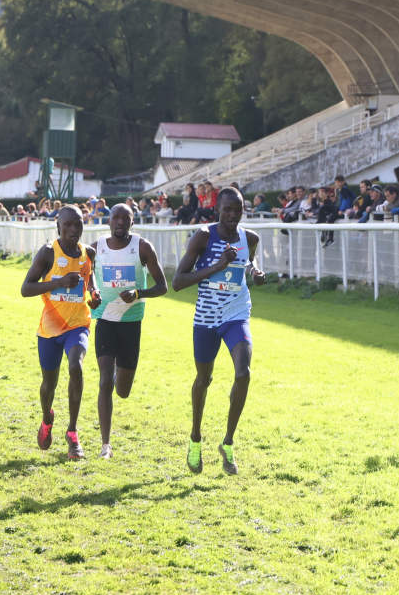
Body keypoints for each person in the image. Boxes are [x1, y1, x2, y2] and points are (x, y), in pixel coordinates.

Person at [172, 187, 267, 474]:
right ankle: (195, 437)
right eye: (227, 210)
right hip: (206, 318)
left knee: (243, 372)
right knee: (204, 378)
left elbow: (248, 262)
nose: (232, 215)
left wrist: (255, 273)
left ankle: (227, 443)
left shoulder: (249, 238)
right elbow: (178, 281)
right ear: (217, 210)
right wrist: (217, 266)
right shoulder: (203, 236)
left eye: (237, 210)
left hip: (236, 314)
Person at [89, 204, 168, 459]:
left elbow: (163, 287)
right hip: (105, 321)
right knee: (103, 382)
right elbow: (86, 275)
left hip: (131, 324)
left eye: (126, 218)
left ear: (132, 222)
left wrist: (138, 293)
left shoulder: (142, 247)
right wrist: (92, 292)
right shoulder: (96, 247)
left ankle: (116, 377)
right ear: (109, 221)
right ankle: (105, 445)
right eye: (116, 217)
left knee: (121, 390)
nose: (120, 222)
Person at [21, 205, 98, 460]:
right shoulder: (47, 253)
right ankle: (47, 418)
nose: (74, 229)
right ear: (58, 226)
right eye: (68, 224)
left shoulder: (89, 253)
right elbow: (26, 288)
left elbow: (90, 279)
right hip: (50, 330)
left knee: (76, 366)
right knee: (49, 385)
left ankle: (73, 433)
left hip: (78, 325)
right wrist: (58, 282)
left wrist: (94, 294)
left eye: (78, 224)